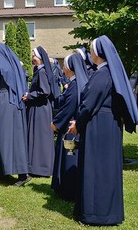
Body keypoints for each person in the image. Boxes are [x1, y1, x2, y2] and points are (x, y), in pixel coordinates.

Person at [68, 35, 138, 225]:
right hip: (109, 125)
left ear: (98, 53)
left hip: (99, 126)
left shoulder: (102, 74)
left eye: (91, 49)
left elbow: (89, 105)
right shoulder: (109, 73)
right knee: (107, 169)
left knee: (97, 169)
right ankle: (108, 212)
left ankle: (95, 214)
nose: (90, 52)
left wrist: (77, 124)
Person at [0, 44, 29, 186]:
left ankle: (15, 174)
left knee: (2, 138)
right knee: (17, 139)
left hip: (3, 104)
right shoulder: (16, 67)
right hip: (17, 105)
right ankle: (6, 171)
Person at [50, 54, 87, 201]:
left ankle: (68, 190)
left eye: (64, 65)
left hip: (70, 127)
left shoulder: (74, 85)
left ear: (70, 68)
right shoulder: (75, 83)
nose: (63, 68)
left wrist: (56, 123)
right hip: (71, 125)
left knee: (69, 157)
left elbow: (69, 108)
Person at [23, 46, 58, 178]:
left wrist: (29, 96)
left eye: (35, 56)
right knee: (38, 137)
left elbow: (45, 91)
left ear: (40, 58)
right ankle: (37, 165)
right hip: (39, 107)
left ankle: (41, 167)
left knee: (40, 137)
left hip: (40, 109)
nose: (33, 58)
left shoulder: (42, 72)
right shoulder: (39, 70)